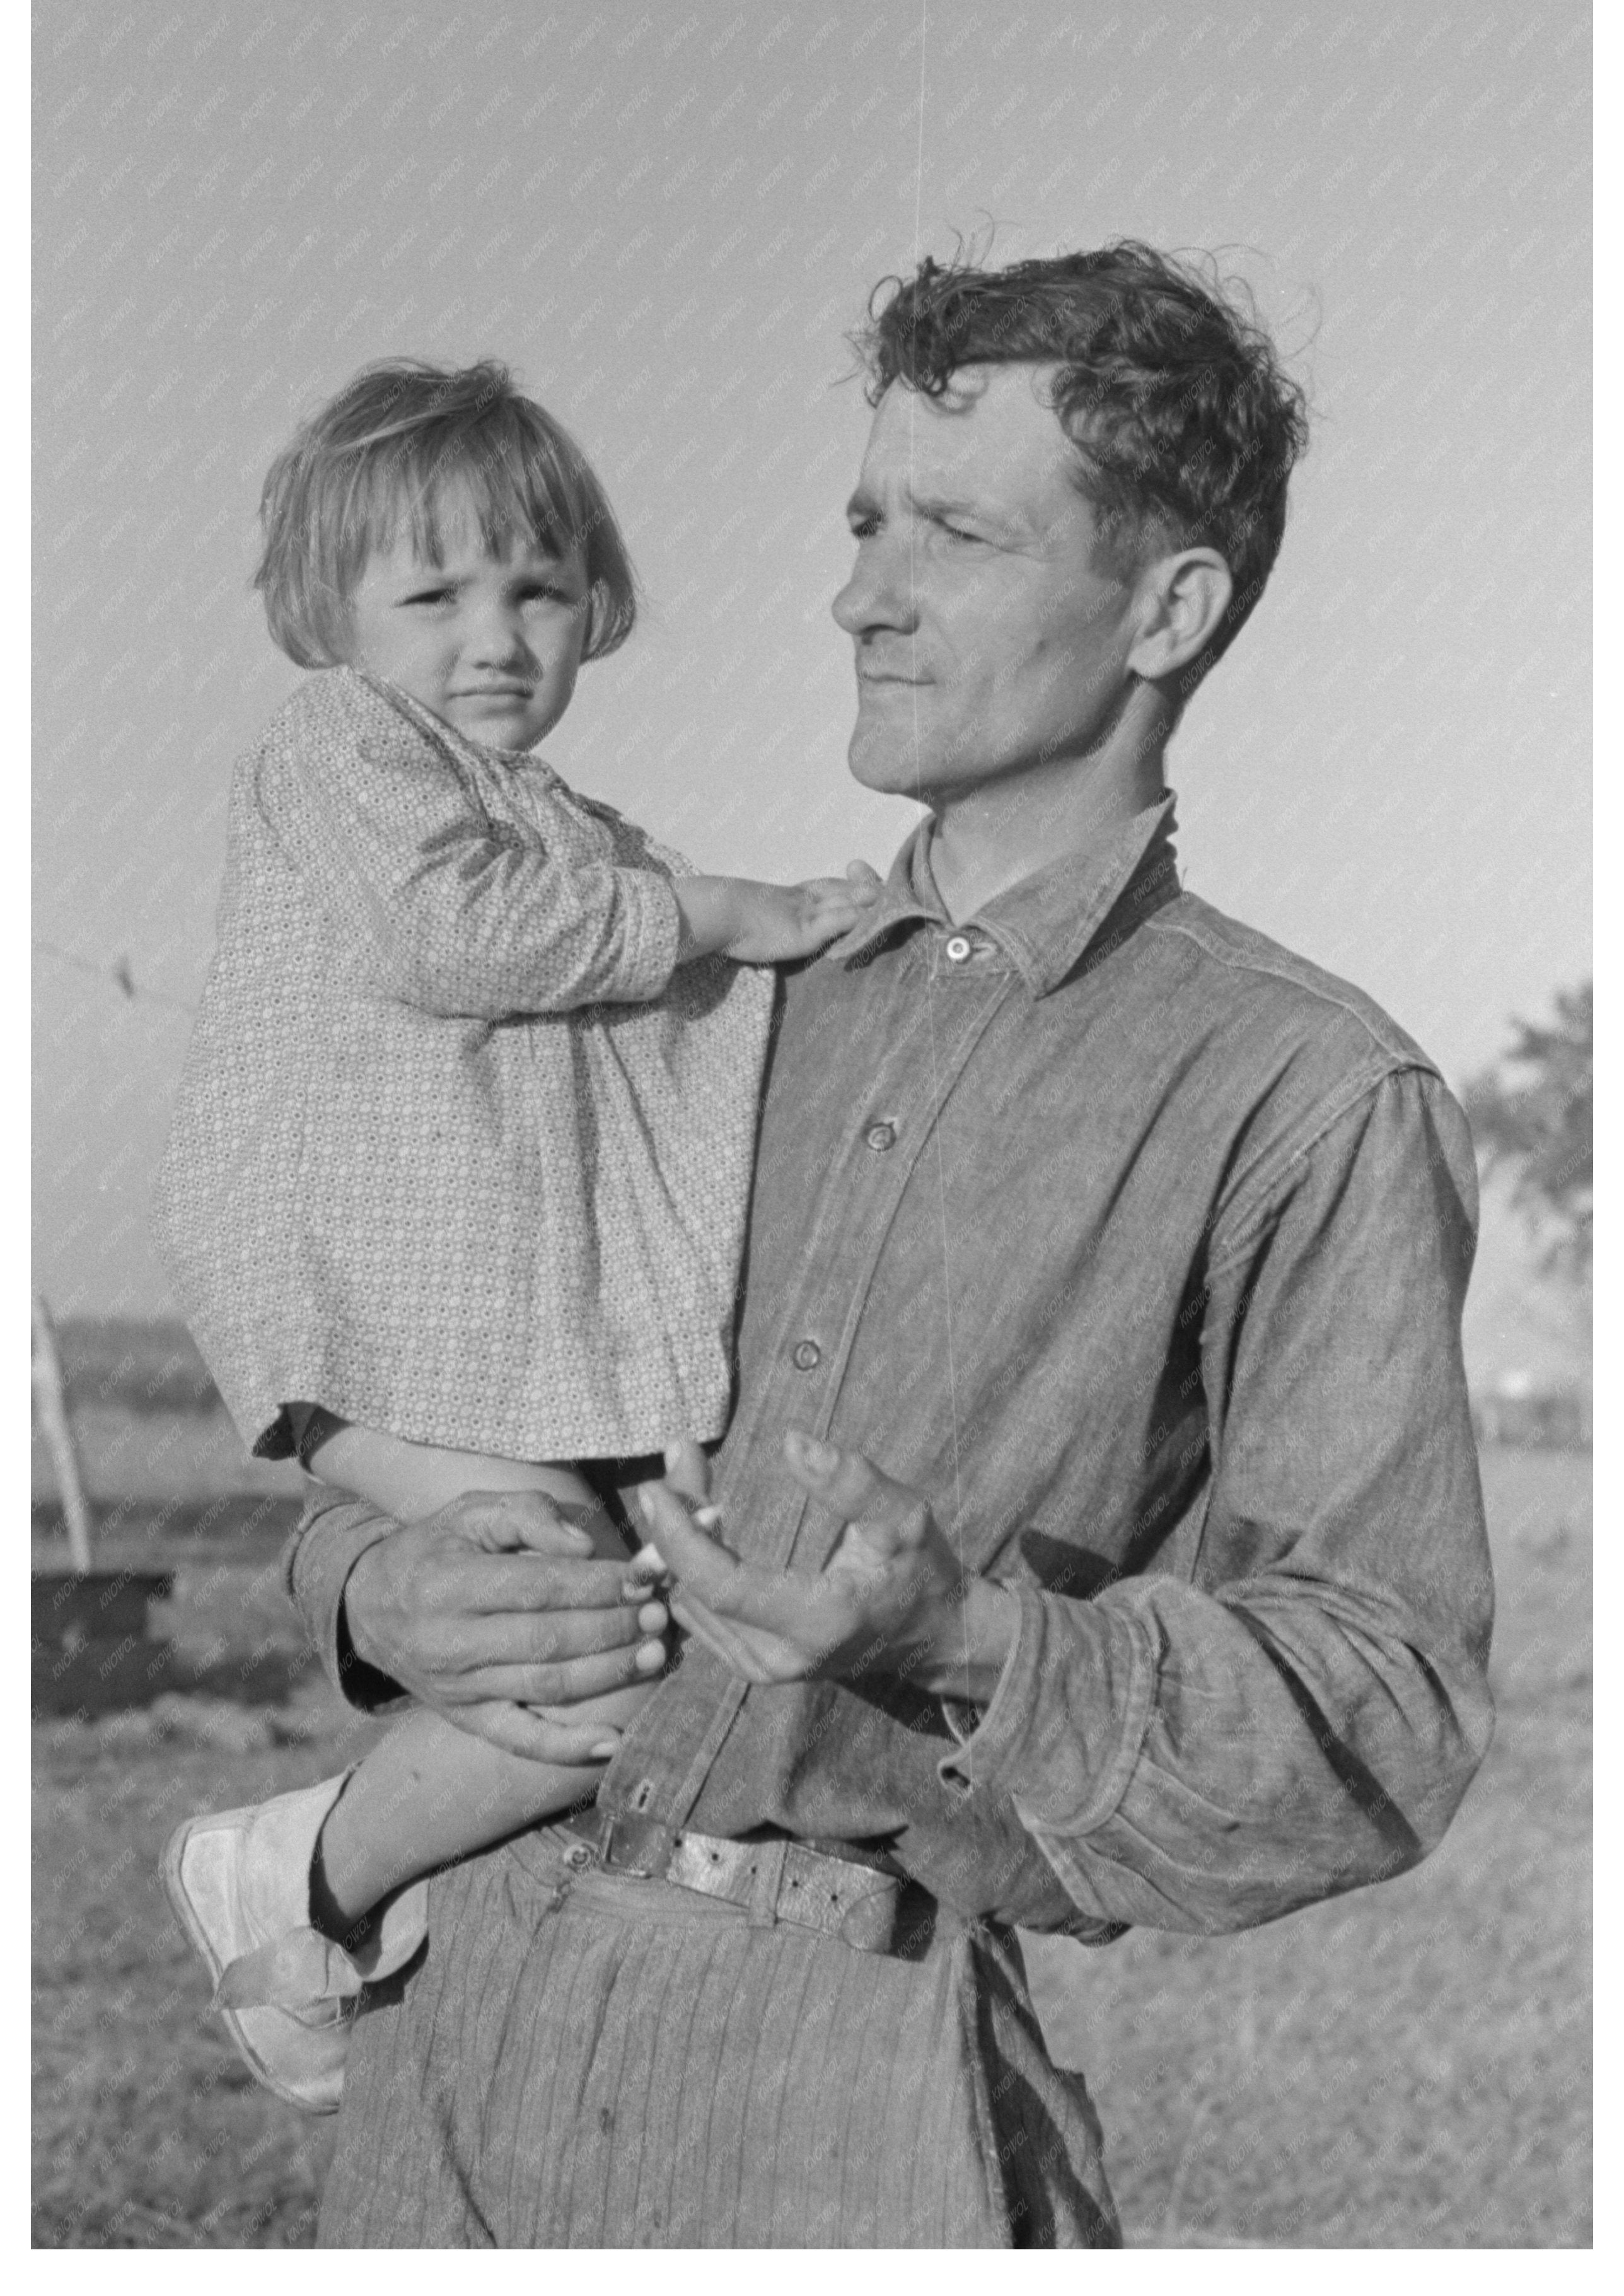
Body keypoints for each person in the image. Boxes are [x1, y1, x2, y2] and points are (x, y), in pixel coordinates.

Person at [284, 244, 1495, 2248]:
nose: (862, 589)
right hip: (446, 2032)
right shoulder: (687, 969)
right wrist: (378, 1584)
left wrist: (971, 1642)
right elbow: (417, 1389)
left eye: (953, 529)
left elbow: (1383, 1715)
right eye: (863, 521)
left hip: (848, 2081)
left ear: (1168, 608)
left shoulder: (1307, 1094)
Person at [154, 358, 878, 2111]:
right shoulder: (339, 749)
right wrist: (720, 910)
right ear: (335, 613)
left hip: (498, 1335)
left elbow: (664, 1036)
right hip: (350, 1311)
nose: (497, 635)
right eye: (435, 593)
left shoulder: (571, 830)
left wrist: (814, 953)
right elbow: (457, 939)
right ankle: (294, 1868)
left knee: (640, 1639)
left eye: (538, 588)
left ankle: (327, 1870)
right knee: (574, 1609)